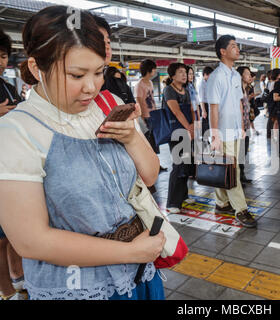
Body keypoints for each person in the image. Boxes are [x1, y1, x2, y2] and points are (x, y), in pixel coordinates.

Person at [0, 6, 165, 300]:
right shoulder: (16, 131)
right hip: (80, 288)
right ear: (37, 69)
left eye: (99, 72)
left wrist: (132, 139)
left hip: (140, 273)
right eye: (76, 75)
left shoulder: (108, 102)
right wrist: (128, 251)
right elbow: (31, 241)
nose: (91, 87)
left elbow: (151, 175)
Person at [207, 35, 257, 228]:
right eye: (234, 46)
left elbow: (238, 103)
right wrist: (215, 135)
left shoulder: (236, 75)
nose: (238, 49)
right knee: (233, 171)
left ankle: (221, 203)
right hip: (223, 133)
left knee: (225, 169)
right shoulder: (216, 77)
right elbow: (213, 107)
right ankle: (241, 209)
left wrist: (243, 127)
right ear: (223, 51)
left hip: (235, 132)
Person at [0, 27, 26, 301]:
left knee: (12, 232)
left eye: (3, 55)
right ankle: (6, 291)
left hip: (11, 165)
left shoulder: (7, 83)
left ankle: (17, 277)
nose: (0, 60)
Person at [163, 63, 195, 214]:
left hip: (186, 129)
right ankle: (172, 203)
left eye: (185, 72)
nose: (184, 74)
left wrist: (193, 125)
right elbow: (176, 111)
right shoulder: (169, 90)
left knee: (186, 163)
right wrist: (189, 127)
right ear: (172, 76)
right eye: (180, 72)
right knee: (178, 164)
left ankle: (183, 195)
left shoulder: (186, 89)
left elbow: (190, 108)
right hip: (176, 132)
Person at [236, 66, 253, 184]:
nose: (250, 76)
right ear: (241, 76)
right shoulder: (237, 91)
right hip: (239, 127)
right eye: (247, 73)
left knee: (243, 152)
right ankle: (237, 177)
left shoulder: (245, 90)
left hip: (246, 126)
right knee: (239, 152)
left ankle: (242, 175)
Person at [198, 66, 213, 139]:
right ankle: (205, 139)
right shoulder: (201, 84)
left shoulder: (209, 82)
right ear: (205, 75)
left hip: (210, 105)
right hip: (205, 106)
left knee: (210, 123)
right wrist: (203, 110)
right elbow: (201, 99)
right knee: (206, 123)